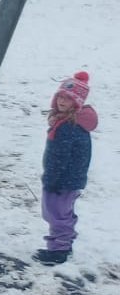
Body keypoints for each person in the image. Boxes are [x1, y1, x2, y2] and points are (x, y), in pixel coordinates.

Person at [36, 71, 97, 265]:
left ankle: (59, 250)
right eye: (60, 96)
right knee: (56, 212)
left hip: (63, 180)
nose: (62, 101)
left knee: (57, 213)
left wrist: (52, 179)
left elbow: (61, 157)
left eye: (68, 98)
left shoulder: (69, 126)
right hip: (66, 178)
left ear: (76, 103)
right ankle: (61, 244)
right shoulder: (66, 121)